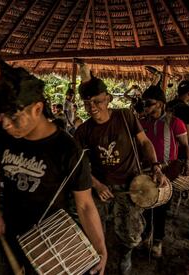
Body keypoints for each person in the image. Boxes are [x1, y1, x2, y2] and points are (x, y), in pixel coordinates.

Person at [0, 74, 107, 275]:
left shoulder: (68, 150)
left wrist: (101, 249)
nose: (5, 124)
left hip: (49, 236)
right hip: (8, 227)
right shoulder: (2, 133)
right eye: (1, 116)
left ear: (37, 109)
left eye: (13, 116)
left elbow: (84, 205)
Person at [73, 76, 167, 275]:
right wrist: (97, 185)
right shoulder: (83, 131)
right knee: (92, 231)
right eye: (87, 103)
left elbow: (144, 142)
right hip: (100, 189)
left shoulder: (125, 117)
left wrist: (156, 166)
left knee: (131, 234)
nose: (92, 107)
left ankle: (125, 255)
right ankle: (97, 259)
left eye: (97, 101)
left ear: (108, 98)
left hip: (129, 186)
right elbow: (78, 166)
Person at [139, 85, 189, 257]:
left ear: (161, 104)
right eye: (144, 103)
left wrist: (187, 163)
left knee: (161, 207)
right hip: (146, 170)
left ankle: (157, 241)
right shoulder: (142, 123)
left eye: (149, 103)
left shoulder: (175, 123)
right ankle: (146, 235)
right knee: (145, 205)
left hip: (167, 171)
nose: (145, 106)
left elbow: (185, 146)